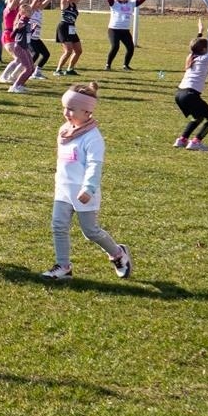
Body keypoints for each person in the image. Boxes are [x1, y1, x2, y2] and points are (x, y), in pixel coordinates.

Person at [43, 82, 132, 281]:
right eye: (64, 107)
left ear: (87, 111)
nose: (66, 112)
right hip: (64, 189)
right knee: (58, 225)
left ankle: (118, 253)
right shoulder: (65, 131)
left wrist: (89, 188)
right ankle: (64, 267)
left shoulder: (93, 138)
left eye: (71, 109)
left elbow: (94, 165)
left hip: (84, 192)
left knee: (90, 231)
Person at [173, 23, 208, 151]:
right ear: (204, 50)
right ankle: (196, 142)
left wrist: (200, 33)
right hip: (190, 95)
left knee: (198, 117)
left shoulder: (191, 56)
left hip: (179, 94)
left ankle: (182, 140)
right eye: (207, 46)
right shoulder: (206, 58)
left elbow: (195, 46)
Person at [104, 0, 152, 71]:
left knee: (130, 48)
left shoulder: (131, 3)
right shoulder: (114, 4)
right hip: (114, 30)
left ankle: (126, 65)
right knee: (115, 47)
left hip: (125, 31)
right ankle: (108, 65)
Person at [52, 0, 89, 76]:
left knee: (78, 51)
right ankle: (58, 70)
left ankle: (70, 69)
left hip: (72, 28)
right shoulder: (65, 2)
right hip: (63, 27)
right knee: (68, 51)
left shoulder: (74, 3)